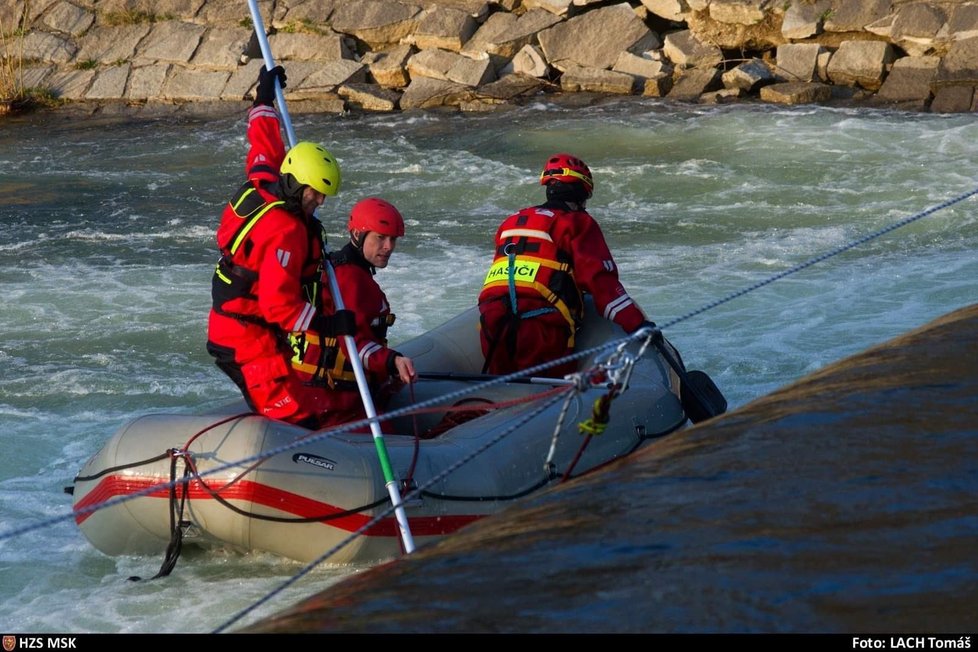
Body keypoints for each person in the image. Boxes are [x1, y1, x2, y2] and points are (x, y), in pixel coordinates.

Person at [206, 64, 355, 428]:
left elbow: (263, 143)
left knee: (306, 402)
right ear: (296, 184)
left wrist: (264, 97)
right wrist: (329, 323)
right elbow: (278, 305)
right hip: (245, 336)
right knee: (295, 420)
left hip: (252, 329)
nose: (319, 201)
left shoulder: (266, 182)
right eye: (315, 193)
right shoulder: (285, 232)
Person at [477, 152, 656, 377]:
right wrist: (638, 325)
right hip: (541, 327)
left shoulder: (512, 221)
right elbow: (602, 283)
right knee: (549, 396)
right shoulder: (577, 223)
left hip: (492, 320)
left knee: (501, 391)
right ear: (582, 193)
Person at [292, 197, 417, 429]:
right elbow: (353, 344)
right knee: (393, 440)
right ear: (358, 235)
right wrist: (392, 362)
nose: (389, 246)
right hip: (334, 403)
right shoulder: (350, 278)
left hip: (325, 394)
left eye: (393, 239)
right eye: (380, 237)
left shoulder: (341, 268)